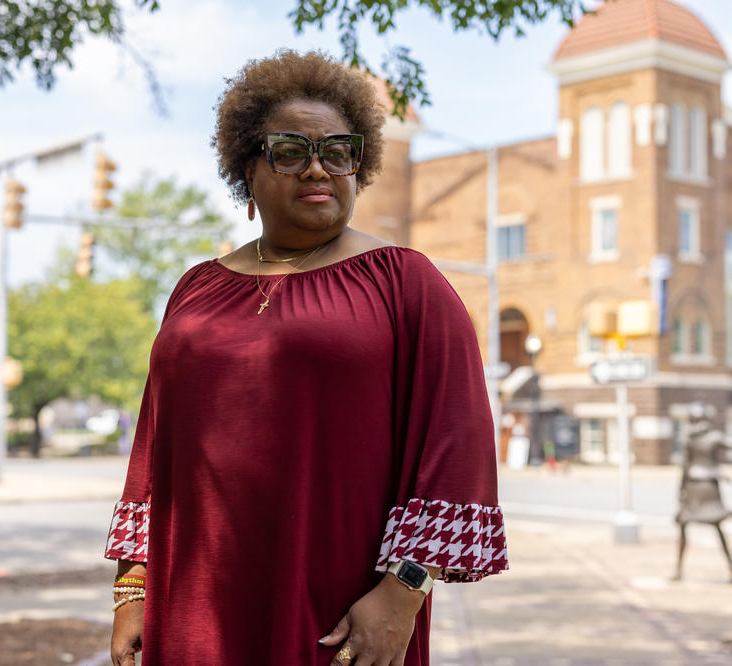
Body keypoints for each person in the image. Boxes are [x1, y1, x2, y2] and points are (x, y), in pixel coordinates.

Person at [105, 49, 508, 666]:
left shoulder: (406, 282)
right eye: (290, 152)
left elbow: (458, 446)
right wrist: (133, 585)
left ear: (359, 164)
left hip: (338, 612)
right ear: (248, 169)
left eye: (338, 151)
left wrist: (401, 596)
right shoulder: (195, 289)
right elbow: (154, 447)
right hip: (193, 605)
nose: (317, 168)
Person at [673, 402, 732, 584]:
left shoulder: (690, 438)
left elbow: (685, 467)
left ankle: (679, 570)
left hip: (695, 485)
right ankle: (731, 571)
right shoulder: (707, 437)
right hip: (706, 485)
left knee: (688, 526)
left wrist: (681, 492)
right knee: (714, 527)